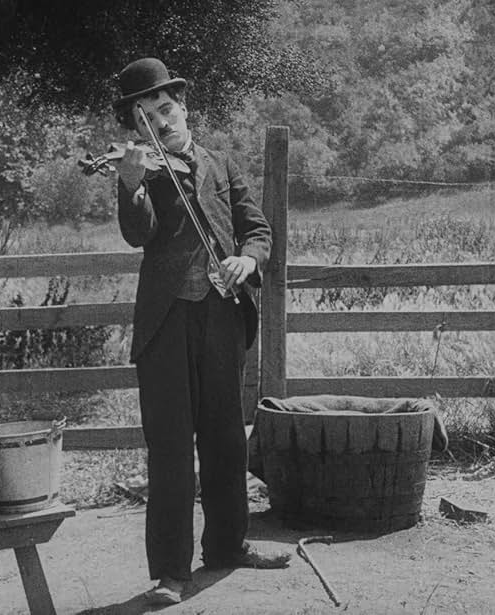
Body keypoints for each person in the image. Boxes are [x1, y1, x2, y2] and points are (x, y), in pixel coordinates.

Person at [113, 58, 290, 605]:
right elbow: (137, 234)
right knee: (169, 448)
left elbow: (256, 228)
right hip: (167, 323)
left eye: (165, 110)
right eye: (145, 118)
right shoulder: (139, 169)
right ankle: (170, 571)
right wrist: (133, 186)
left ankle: (229, 546)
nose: (159, 125)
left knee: (225, 438)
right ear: (135, 127)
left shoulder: (220, 164)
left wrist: (247, 261)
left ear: (183, 107)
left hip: (221, 315)